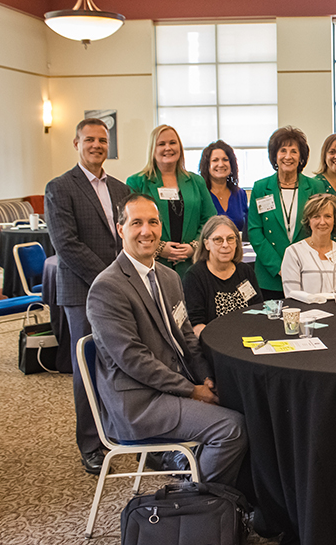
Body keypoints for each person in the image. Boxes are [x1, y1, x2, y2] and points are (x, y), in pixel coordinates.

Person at [86, 194, 247, 486]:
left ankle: (237, 498)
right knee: (232, 428)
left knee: (246, 405)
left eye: (152, 222)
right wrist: (191, 391)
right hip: (138, 401)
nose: (146, 231)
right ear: (120, 229)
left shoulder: (168, 277)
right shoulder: (107, 288)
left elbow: (187, 337)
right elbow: (134, 360)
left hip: (172, 387)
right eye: (136, 223)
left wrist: (207, 378)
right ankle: (195, 502)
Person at [44, 118, 130, 475]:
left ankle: (120, 431)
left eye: (102, 140)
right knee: (89, 366)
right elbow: (66, 245)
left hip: (122, 289)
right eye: (90, 139)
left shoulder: (122, 189)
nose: (97, 145)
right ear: (76, 143)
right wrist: (110, 280)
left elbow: (128, 237)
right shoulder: (60, 187)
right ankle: (91, 444)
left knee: (121, 362)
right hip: (82, 291)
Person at [127, 125, 217, 279]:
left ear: (180, 147)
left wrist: (194, 247)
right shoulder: (137, 182)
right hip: (152, 265)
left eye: (172, 143)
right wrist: (159, 247)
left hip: (192, 266)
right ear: (153, 149)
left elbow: (210, 220)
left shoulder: (197, 182)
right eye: (161, 144)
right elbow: (131, 224)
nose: (168, 148)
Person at [248, 126, 327, 299]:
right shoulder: (261, 188)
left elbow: (321, 228)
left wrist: (299, 265)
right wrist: (279, 267)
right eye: (283, 150)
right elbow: (255, 231)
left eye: (294, 151)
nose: (288, 156)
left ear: (301, 157)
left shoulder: (315, 187)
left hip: (307, 271)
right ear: (275, 155)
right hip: (270, 275)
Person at [182, 215, 262, 336]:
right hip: (214, 344)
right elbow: (196, 325)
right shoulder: (194, 276)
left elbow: (258, 309)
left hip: (249, 338)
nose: (225, 245)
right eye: (218, 240)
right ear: (206, 244)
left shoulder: (245, 271)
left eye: (230, 239)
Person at [281, 194, 336, 298]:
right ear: (308, 220)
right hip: (307, 313)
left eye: (328, 216)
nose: (322, 222)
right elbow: (292, 296)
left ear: (335, 219)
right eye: (316, 216)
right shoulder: (293, 253)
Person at [199, 140, 248, 237]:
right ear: (207, 165)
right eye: (215, 160)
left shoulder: (240, 194)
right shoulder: (200, 195)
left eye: (225, 159)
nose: (221, 164)